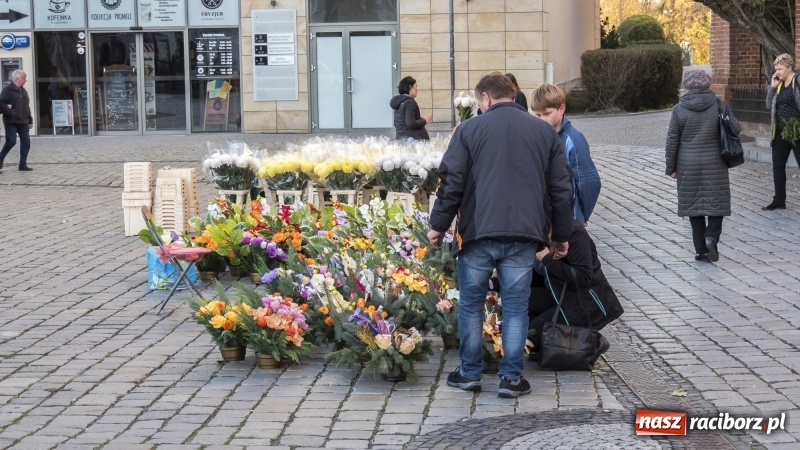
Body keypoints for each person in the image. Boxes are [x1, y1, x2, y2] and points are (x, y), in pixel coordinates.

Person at [427, 72, 573, 398]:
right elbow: (561, 189)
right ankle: (510, 379)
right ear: (513, 94)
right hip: (525, 235)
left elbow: (451, 182)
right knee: (516, 307)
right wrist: (561, 236)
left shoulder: (467, 130)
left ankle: (469, 373)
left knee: (470, 305)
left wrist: (438, 226)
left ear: (485, 99)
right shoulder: (544, 132)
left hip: (478, 231)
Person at [665, 69, 739, 262]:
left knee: (693, 207)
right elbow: (736, 128)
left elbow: (672, 140)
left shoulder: (679, 109)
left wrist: (671, 167)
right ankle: (711, 236)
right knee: (717, 205)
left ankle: (701, 251)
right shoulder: (719, 105)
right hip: (715, 162)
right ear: (708, 84)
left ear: (686, 85)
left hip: (687, 165)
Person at [528, 221, 624, 351]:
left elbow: (583, 277)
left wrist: (547, 259)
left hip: (583, 304)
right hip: (558, 295)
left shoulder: (574, 233)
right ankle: (557, 339)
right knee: (517, 303)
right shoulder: (537, 237)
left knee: (529, 337)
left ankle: (584, 340)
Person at [531, 83, 602, 226]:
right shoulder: (536, 137)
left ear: (561, 109)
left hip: (570, 218)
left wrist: (581, 215)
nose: (542, 120)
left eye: (547, 114)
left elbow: (588, 182)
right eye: (538, 115)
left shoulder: (574, 140)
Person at [764, 53, 800, 210]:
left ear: (789, 68)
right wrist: (772, 87)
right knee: (778, 165)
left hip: (797, 130)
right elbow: (768, 105)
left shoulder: (797, 81)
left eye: (780, 69)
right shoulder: (778, 84)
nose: (777, 72)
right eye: (776, 69)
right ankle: (779, 200)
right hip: (780, 131)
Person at [0, 70, 34, 173]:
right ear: (18, 79)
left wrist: (30, 119)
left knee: (26, 143)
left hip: (23, 121)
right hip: (11, 121)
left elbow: (26, 106)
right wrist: (10, 112)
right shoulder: (7, 90)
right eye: (24, 78)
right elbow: (1, 103)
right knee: (11, 141)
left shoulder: (23, 91)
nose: (26, 80)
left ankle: (22, 165)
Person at [389, 76, 431, 141]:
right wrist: (424, 120)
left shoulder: (399, 101)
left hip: (401, 138)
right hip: (412, 140)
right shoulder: (409, 102)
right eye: (415, 86)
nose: (417, 89)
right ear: (410, 87)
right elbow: (410, 123)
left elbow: (403, 121)